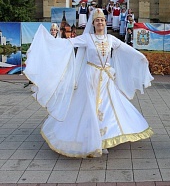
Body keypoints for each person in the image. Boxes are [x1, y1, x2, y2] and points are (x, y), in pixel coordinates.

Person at [24, 8, 154, 158]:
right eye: (97, 20)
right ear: (93, 23)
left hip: (106, 78)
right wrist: (50, 41)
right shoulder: (87, 38)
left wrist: (141, 56)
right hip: (90, 76)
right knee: (90, 106)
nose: (100, 22)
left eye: (102, 20)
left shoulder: (110, 39)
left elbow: (125, 49)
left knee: (108, 105)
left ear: (106, 23)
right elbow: (68, 44)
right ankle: (91, 138)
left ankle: (104, 138)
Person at [24, 23, 60, 88]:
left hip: (55, 58)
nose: (53, 31)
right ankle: (46, 86)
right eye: (52, 30)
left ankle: (54, 86)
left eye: (54, 30)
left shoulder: (59, 39)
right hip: (48, 58)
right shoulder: (47, 38)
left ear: (57, 31)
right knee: (46, 72)